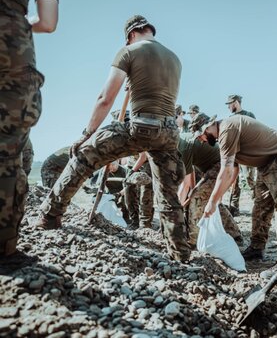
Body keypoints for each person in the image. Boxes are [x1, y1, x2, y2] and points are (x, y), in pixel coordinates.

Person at [37, 15, 191, 262]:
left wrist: (87, 134)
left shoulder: (128, 51)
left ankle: (50, 214)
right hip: (170, 132)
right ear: (149, 30)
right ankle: (180, 253)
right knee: (168, 193)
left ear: (130, 35)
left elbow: (105, 98)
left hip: (141, 125)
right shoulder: (174, 58)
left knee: (83, 155)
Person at [196, 116, 277, 279]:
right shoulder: (226, 134)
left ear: (208, 127)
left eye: (200, 136)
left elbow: (226, 171)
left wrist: (212, 201)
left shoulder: (227, 129)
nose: (201, 140)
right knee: (260, 206)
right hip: (264, 165)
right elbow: (233, 172)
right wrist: (219, 198)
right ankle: (256, 248)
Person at [0, 0, 59, 265]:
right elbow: (47, 22)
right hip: (10, 38)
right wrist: (21, 21)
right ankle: (4, 249)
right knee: (8, 146)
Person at [177, 130, 242, 248]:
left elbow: (185, 184)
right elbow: (190, 173)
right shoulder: (181, 141)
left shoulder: (182, 148)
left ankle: (194, 240)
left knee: (198, 198)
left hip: (221, 166)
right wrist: (193, 189)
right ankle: (234, 233)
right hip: (215, 167)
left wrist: (179, 207)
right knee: (208, 199)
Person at [225, 94, 257, 216]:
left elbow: (255, 133)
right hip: (234, 153)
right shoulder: (230, 118)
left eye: (230, 104)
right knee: (234, 181)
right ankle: (234, 207)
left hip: (246, 153)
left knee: (249, 180)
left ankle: (256, 205)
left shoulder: (249, 115)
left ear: (236, 103)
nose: (228, 107)